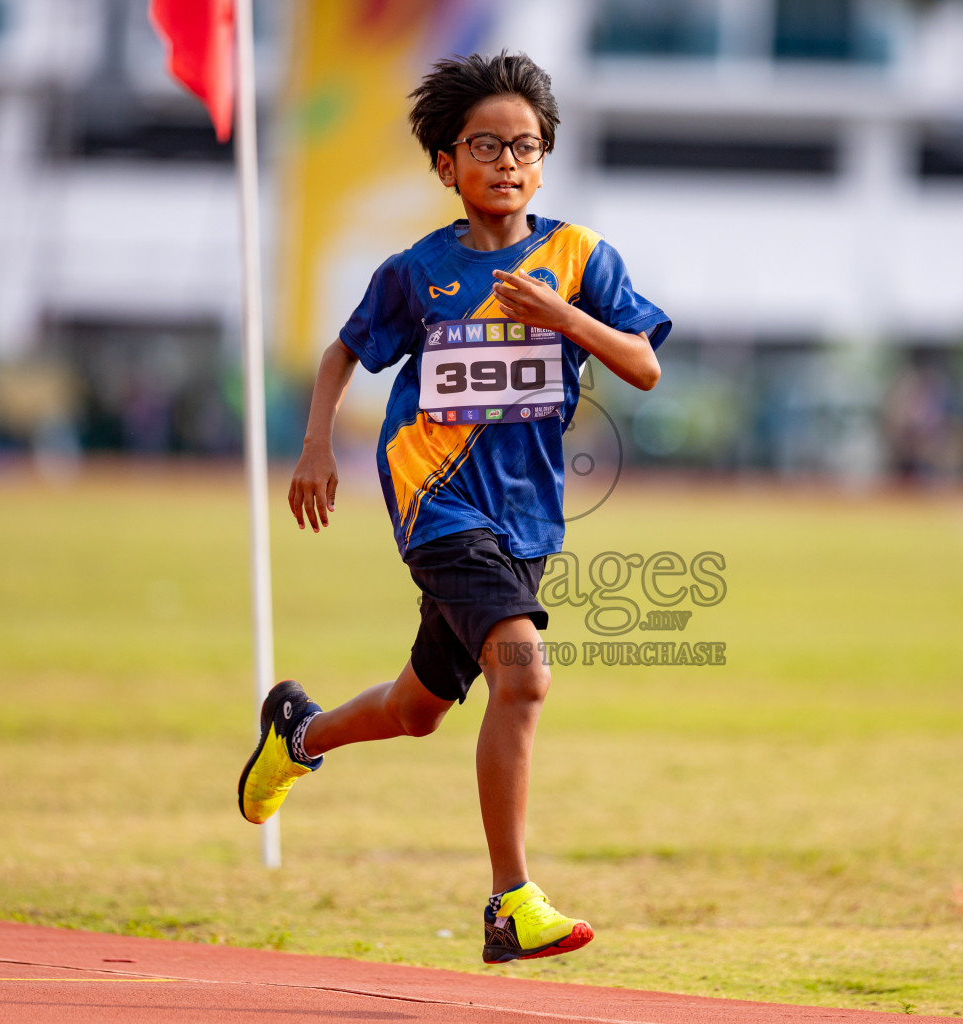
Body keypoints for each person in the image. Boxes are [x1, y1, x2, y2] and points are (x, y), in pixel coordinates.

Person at [236, 51, 670, 965]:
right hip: (434, 504)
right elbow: (342, 354)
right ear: (446, 165)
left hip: (527, 520)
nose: (507, 161)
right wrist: (317, 446)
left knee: (419, 707)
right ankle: (511, 903)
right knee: (526, 674)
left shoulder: (580, 258)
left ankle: (297, 734)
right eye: (485, 145)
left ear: (545, 160)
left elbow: (642, 364)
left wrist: (565, 321)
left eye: (525, 145)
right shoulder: (417, 273)